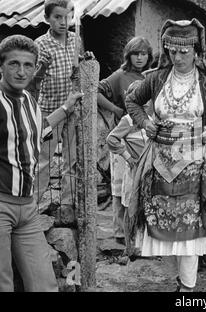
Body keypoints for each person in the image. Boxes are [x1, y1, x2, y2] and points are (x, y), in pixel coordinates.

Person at [124, 18, 206, 292]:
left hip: (197, 168)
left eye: (184, 51)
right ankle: (179, 280)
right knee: (163, 233)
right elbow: (131, 100)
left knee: (191, 233)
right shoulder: (156, 78)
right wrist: (145, 123)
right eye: (172, 51)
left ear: (196, 50)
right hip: (160, 164)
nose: (178, 57)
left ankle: (188, 289)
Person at [0, 35, 82, 292]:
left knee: (45, 285)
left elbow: (39, 129)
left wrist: (67, 108)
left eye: (28, 65)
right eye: (14, 64)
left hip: (28, 209)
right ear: (1, 66)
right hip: (1, 205)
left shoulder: (29, 102)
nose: (21, 71)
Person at [33, 0, 88, 219]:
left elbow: (80, 71)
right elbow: (33, 81)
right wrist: (41, 67)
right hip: (49, 111)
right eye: (58, 17)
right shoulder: (40, 44)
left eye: (67, 17)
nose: (64, 22)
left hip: (73, 109)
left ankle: (67, 206)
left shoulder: (76, 40)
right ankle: (33, 207)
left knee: (71, 159)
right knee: (44, 160)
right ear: (47, 18)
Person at [98, 36, 152, 245]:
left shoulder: (150, 76)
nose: (139, 58)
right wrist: (115, 109)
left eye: (143, 54)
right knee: (120, 187)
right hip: (122, 137)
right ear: (128, 55)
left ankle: (138, 229)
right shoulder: (121, 75)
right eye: (135, 54)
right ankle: (120, 231)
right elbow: (97, 90)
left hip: (144, 137)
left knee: (139, 187)